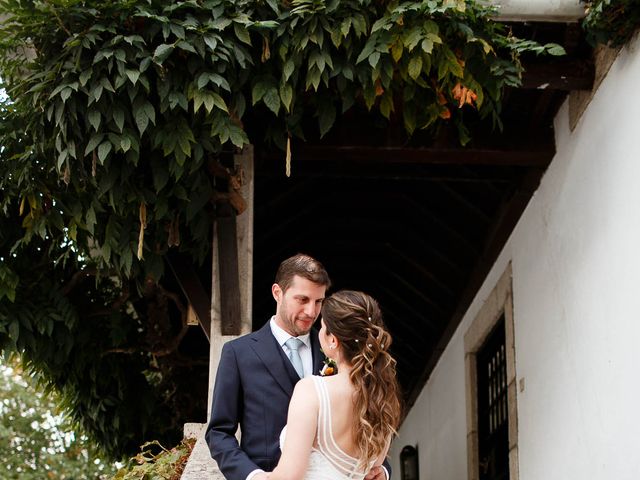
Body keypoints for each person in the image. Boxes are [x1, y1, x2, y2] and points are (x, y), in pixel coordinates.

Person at [267, 290, 402, 480]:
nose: (318, 332)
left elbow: (288, 476)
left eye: (322, 326)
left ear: (332, 340)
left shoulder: (311, 391)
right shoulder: (383, 401)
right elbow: (373, 471)